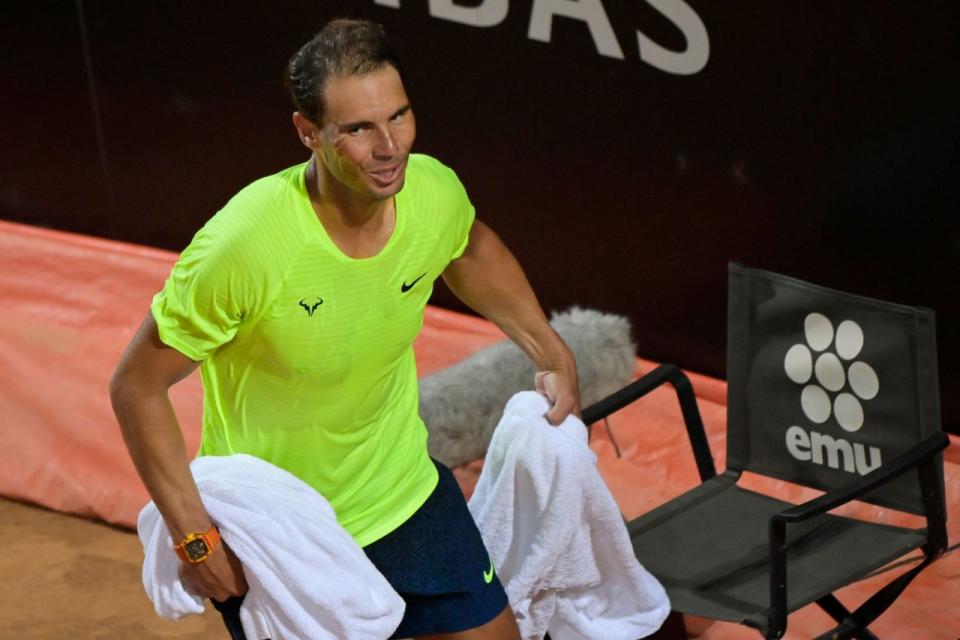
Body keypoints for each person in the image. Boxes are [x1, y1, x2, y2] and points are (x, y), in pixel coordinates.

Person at [110, 18, 579, 640]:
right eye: (359, 129)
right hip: (286, 532)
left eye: (399, 117)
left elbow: (468, 249)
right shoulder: (245, 244)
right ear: (309, 133)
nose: (390, 147)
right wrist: (196, 539)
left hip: (404, 493)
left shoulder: (432, 191)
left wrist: (548, 348)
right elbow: (135, 387)